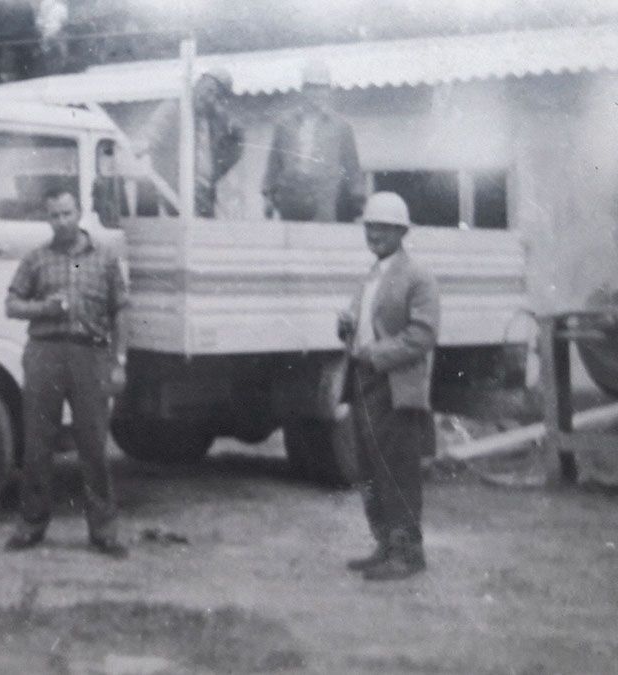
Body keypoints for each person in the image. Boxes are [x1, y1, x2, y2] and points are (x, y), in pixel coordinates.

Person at [4, 188, 129, 559]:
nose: (61, 221)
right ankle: (30, 526)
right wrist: (45, 307)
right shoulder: (36, 259)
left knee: (93, 444)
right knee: (38, 444)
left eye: (67, 213)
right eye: (54, 215)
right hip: (45, 353)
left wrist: (119, 360)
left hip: (90, 355)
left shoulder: (105, 259)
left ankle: (104, 532)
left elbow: (120, 310)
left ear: (80, 213)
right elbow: (11, 304)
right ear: (48, 218)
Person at [337, 191, 440, 581]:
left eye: (383, 227)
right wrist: (347, 326)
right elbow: (364, 323)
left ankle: (408, 553)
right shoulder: (371, 275)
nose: (374, 234)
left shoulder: (418, 276)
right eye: (369, 226)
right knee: (367, 468)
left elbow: (423, 335)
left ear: (401, 231)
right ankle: (384, 544)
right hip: (363, 381)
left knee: (396, 469)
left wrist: (376, 354)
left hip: (394, 385)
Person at [262, 60, 365, 222]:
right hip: (291, 198)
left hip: (325, 200)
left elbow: (352, 166)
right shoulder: (285, 123)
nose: (317, 93)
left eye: (321, 88)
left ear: (328, 91)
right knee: (292, 241)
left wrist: (359, 200)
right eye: (312, 88)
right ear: (303, 90)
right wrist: (268, 196)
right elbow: (274, 163)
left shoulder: (341, 126)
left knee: (320, 240)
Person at [135, 68, 244, 218]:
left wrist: (217, 170)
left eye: (217, 96)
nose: (210, 98)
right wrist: (142, 144)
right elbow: (153, 131)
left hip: (204, 196)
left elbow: (237, 139)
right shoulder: (175, 109)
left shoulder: (216, 120)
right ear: (198, 84)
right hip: (175, 194)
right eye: (209, 90)